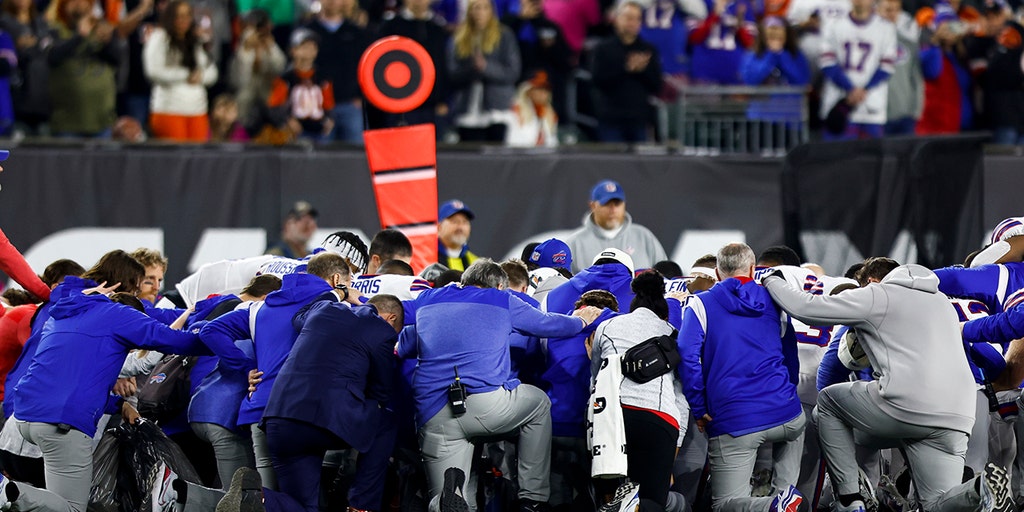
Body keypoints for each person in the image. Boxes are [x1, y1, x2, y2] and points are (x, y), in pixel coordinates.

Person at [763, 256, 1012, 512]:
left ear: (872, 280)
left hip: (904, 404)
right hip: (959, 414)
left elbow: (807, 309)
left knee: (826, 403)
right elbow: (990, 358)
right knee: (934, 504)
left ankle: (850, 499)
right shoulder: (943, 303)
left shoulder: (878, 294)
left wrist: (771, 279)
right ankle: (979, 490)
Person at [0, 256, 209, 512]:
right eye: (136, 287)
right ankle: (7, 493)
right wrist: (216, 335)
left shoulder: (65, 310)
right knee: (74, 508)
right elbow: (169, 340)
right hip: (61, 422)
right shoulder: (116, 315)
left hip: (22, 417)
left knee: (50, 502)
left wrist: (118, 404)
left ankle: (11, 493)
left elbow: (74, 375)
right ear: (121, 286)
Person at [396, 259, 602, 509]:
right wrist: (581, 320)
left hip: (435, 414)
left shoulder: (430, 298)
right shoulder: (501, 299)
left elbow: (403, 345)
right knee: (538, 404)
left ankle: (443, 502)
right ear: (500, 285)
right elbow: (547, 324)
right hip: (488, 406)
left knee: (453, 496)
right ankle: (532, 497)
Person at [199, 252, 362, 490]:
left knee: (267, 497)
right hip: (303, 410)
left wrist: (245, 368)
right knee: (308, 496)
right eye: (348, 284)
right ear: (337, 278)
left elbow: (210, 331)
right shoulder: (334, 304)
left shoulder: (260, 307)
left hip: (260, 406)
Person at [679, 242, 806, 512]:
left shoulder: (701, 304)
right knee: (783, 483)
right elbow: (790, 354)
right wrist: (787, 393)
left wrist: (700, 408)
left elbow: (688, 358)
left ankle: (776, 505)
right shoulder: (775, 301)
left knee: (725, 504)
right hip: (788, 414)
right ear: (752, 269)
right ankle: (783, 498)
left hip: (736, 420)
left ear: (716, 271)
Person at [254, 295, 401, 512]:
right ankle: (361, 506)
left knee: (302, 506)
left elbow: (298, 317)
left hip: (279, 418)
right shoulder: (382, 330)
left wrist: (338, 292)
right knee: (386, 421)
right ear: (391, 318)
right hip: (328, 420)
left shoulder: (322, 310)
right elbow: (380, 390)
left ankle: (256, 498)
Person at [589, 271, 686, 511]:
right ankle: (633, 506)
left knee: (608, 498)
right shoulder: (673, 335)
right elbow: (681, 399)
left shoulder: (608, 326)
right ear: (664, 313)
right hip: (659, 419)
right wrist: (674, 447)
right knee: (653, 501)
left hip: (613, 420)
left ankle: (623, 504)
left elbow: (596, 379)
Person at [819, 0, 897, 140]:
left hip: (871, 106)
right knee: (835, 159)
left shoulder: (886, 28)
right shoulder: (833, 25)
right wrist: (851, 89)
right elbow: (827, 63)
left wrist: (863, 90)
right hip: (839, 103)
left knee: (871, 160)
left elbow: (887, 66)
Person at [143, 0, 218, 142]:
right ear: (170, 17)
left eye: (187, 16)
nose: (183, 20)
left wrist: (200, 76)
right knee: (175, 159)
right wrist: (186, 75)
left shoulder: (196, 40)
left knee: (198, 158)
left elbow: (212, 72)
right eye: (179, 16)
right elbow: (153, 71)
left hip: (197, 110)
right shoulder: (159, 38)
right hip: (169, 109)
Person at [447, 0, 521, 142]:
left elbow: (513, 72)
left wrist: (486, 67)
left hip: (497, 109)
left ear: (491, 11)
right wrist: (472, 68)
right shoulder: (460, 37)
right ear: (469, 12)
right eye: (476, 8)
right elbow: (452, 73)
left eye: (484, 8)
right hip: (467, 109)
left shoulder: (505, 36)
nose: (480, 13)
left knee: (496, 159)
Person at [591, 0, 663, 143]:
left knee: (640, 164)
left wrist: (642, 70)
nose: (633, 22)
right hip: (611, 118)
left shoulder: (648, 49)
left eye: (637, 18)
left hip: (639, 118)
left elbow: (656, 85)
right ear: (617, 19)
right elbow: (598, 80)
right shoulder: (603, 49)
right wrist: (626, 69)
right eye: (629, 18)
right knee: (613, 163)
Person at [48, 0, 122, 138]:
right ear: (63, 6)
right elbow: (53, 56)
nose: (78, 4)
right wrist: (80, 36)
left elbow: (117, 59)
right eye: (72, 1)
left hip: (102, 121)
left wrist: (108, 42)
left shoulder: (102, 29)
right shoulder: (54, 30)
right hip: (68, 122)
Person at [302, 0, 370, 144]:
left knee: (355, 155)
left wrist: (360, 95)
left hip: (350, 104)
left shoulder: (355, 32)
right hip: (317, 107)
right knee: (318, 158)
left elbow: (366, 66)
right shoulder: (307, 31)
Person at [565, 179, 667, 273]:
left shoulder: (644, 237)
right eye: (606, 203)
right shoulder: (575, 244)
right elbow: (564, 285)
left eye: (617, 203)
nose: (613, 209)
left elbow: (665, 277)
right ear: (593, 205)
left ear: (624, 204)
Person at [266, 29, 335, 143]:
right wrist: (287, 121)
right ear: (293, 50)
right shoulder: (285, 79)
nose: (309, 51)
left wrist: (330, 119)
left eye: (313, 47)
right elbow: (274, 106)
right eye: (304, 47)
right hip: (295, 132)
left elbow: (328, 102)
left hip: (319, 130)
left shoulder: (323, 77)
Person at [229, 9, 286, 133]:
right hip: (245, 101)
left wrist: (271, 48)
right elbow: (240, 81)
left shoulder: (270, 43)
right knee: (243, 98)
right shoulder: (242, 45)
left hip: (268, 99)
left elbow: (280, 70)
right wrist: (246, 50)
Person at [879, 0, 923, 135]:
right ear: (877, 11)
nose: (892, 14)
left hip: (904, 114)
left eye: (896, 10)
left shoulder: (908, 44)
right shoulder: (867, 43)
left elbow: (916, 78)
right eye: (888, 10)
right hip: (877, 113)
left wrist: (916, 110)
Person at [506, 70, 559, 147]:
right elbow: (512, 141)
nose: (543, 93)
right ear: (528, 90)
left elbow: (553, 142)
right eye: (539, 89)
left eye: (546, 89)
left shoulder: (550, 114)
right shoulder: (515, 110)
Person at [437, 199, 478, 271]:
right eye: (454, 221)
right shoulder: (427, 259)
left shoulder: (475, 264)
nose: (460, 227)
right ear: (439, 227)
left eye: (464, 222)